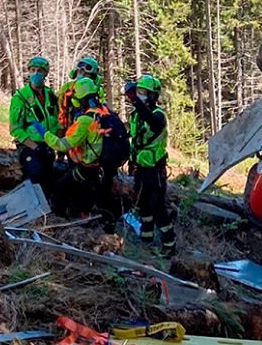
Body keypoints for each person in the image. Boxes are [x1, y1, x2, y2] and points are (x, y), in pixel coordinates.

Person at [40, 76, 118, 220]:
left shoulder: (85, 121)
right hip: (102, 167)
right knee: (85, 197)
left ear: (78, 99)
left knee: (60, 188)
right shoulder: (105, 114)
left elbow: (63, 145)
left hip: (88, 168)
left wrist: (45, 134)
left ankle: (58, 220)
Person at [125, 73, 173, 256]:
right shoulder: (135, 115)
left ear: (153, 95)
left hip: (155, 170)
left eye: (144, 92)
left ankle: (169, 245)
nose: (140, 95)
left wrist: (136, 101)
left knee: (157, 206)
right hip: (140, 167)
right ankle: (146, 238)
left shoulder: (158, 115)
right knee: (143, 204)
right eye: (138, 91)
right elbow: (136, 139)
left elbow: (153, 125)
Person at [9, 56, 60, 190]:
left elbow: (56, 120)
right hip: (29, 146)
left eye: (40, 70)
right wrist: (34, 147)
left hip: (49, 145)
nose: (36, 73)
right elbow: (15, 128)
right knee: (35, 174)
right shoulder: (20, 97)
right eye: (33, 70)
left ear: (46, 74)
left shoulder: (50, 95)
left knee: (49, 179)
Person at [58, 56, 104, 132]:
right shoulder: (67, 88)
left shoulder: (98, 90)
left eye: (86, 74)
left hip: (91, 127)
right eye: (80, 72)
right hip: (71, 126)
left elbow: (103, 109)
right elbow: (60, 107)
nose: (82, 75)